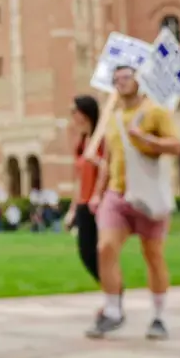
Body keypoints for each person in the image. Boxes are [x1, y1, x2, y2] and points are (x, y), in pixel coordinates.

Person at [86, 64, 180, 340]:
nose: (121, 82)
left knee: (153, 256)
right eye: (116, 79)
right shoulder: (114, 118)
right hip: (118, 195)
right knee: (105, 248)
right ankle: (113, 311)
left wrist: (146, 138)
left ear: (139, 80)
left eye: (126, 77)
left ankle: (159, 316)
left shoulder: (154, 112)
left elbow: (176, 146)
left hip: (149, 196)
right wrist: (98, 192)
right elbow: (111, 160)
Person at [64, 95, 105, 282]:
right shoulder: (82, 142)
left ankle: (113, 291)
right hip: (83, 203)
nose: (72, 116)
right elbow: (79, 181)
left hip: (99, 203)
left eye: (74, 111)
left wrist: (96, 160)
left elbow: (110, 167)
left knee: (100, 252)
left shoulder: (102, 140)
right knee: (85, 253)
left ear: (85, 114)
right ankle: (111, 288)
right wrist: (72, 210)